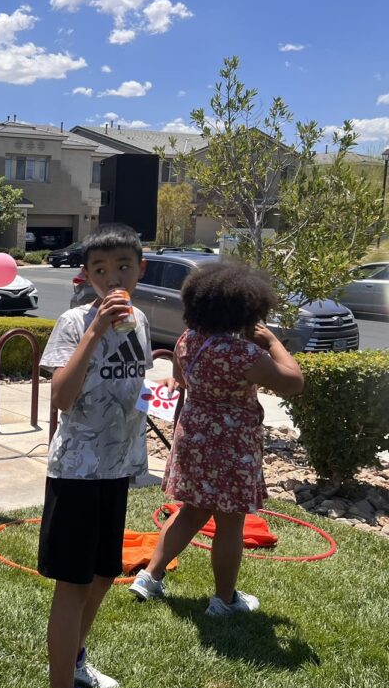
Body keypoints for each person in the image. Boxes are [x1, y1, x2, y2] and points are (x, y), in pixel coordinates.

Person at [129, 262, 303, 616]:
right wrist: (272, 341)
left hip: (194, 438)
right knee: (230, 522)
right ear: (246, 311)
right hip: (233, 446)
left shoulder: (187, 340)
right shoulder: (246, 355)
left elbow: (180, 376)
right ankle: (224, 600)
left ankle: (150, 576)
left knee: (190, 511)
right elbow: (293, 381)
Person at [37, 224, 152, 688]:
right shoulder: (72, 322)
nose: (113, 279)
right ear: (87, 277)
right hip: (79, 470)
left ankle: (76, 659)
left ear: (139, 270)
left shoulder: (142, 321)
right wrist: (93, 332)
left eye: (123, 267)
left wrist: (162, 389)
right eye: (101, 271)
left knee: (104, 573)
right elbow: (61, 398)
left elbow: (133, 386)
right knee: (73, 581)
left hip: (119, 466)